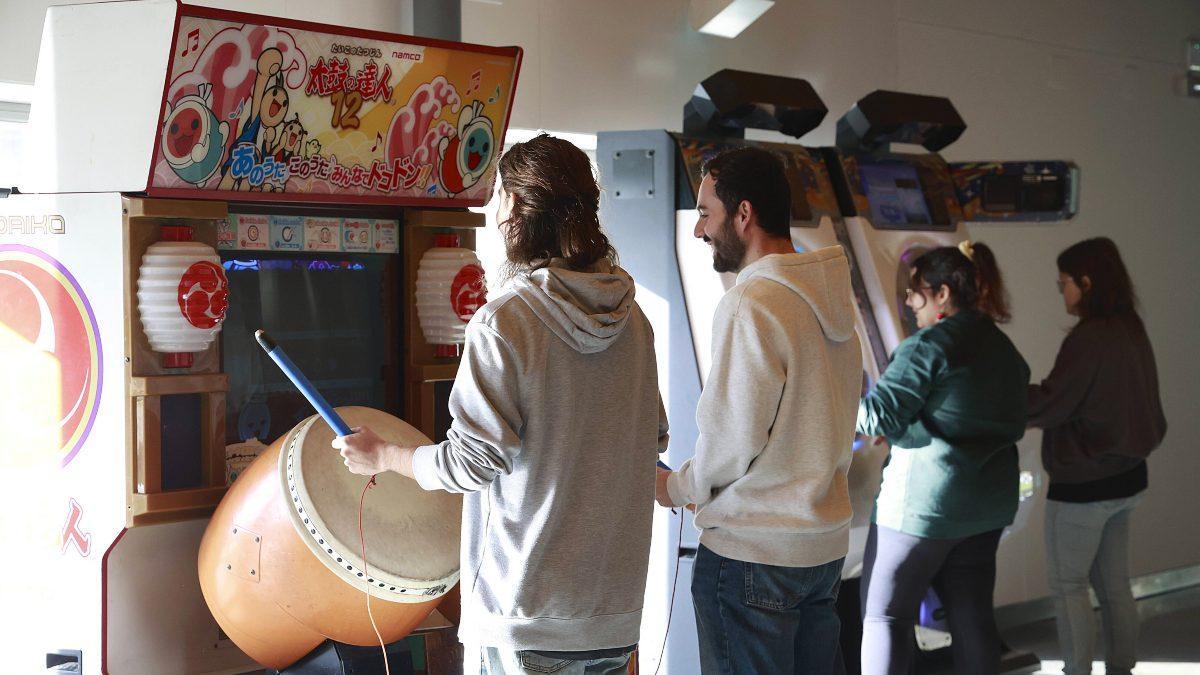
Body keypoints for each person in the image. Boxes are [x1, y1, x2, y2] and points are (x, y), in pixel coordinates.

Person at [336, 134, 669, 675]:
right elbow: (649, 441)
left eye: (497, 198)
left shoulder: (504, 322)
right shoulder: (635, 323)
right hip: (614, 615)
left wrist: (384, 458)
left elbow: (473, 462)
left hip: (526, 614)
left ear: (513, 206)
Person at [654, 146, 863, 674]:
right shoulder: (832, 295)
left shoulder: (754, 303)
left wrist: (676, 488)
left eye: (705, 213)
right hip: (820, 552)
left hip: (754, 557)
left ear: (743, 214)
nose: (699, 231)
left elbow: (731, 439)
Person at [856, 241, 1029, 675]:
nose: (911, 304)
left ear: (943, 294)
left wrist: (827, 392)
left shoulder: (928, 346)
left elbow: (877, 415)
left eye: (916, 294)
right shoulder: (1001, 346)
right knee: (972, 618)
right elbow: (976, 411)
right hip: (988, 505)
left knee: (886, 616)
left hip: (925, 508)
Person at [1028, 237, 1166, 675]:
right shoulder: (1129, 326)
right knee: (1114, 587)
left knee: (1069, 586)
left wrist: (994, 398)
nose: (1062, 291)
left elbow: (1053, 402)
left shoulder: (1090, 338)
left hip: (1084, 488)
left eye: (1063, 282)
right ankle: (1122, 669)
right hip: (1128, 479)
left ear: (1085, 282)